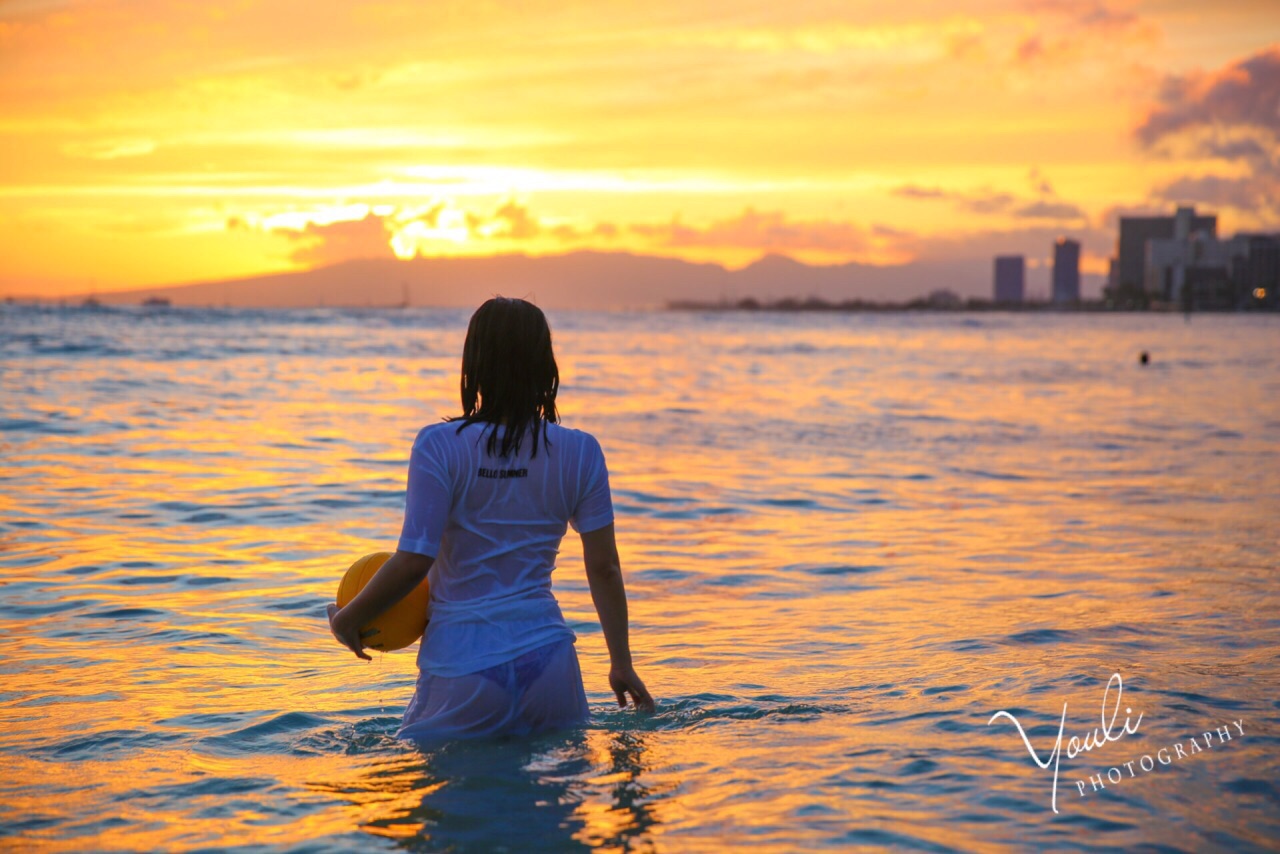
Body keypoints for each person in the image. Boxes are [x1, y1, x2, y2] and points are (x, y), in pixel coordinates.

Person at [327, 297, 654, 740]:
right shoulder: (581, 451)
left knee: (424, 797)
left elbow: (413, 563)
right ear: (545, 366)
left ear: (473, 364)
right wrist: (621, 662)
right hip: (550, 663)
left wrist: (348, 620)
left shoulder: (439, 446)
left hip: (463, 664)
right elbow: (605, 566)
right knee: (555, 805)